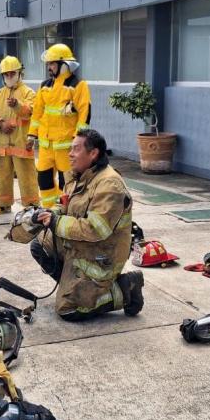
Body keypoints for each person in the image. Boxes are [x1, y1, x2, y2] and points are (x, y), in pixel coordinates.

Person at [29, 129, 144, 321]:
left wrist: (57, 222)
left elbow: (95, 229)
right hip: (82, 245)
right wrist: (49, 214)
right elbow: (64, 204)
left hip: (102, 254)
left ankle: (124, 289)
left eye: (76, 149)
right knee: (39, 245)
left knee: (68, 310)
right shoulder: (78, 176)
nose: (70, 154)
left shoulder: (110, 184)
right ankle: (78, 288)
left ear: (93, 153)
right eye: (70, 149)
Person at [27, 43, 91, 208]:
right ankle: (49, 211)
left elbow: (84, 113)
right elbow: (37, 113)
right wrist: (31, 135)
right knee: (44, 180)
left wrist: (79, 139)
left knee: (67, 183)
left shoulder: (78, 85)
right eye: (48, 64)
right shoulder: (45, 86)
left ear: (64, 64)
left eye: (52, 64)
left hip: (66, 147)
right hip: (46, 146)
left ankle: (65, 211)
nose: (49, 67)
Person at [0, 56, 39, 214]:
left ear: (19, 73)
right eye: (6, 74)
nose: (9, 76)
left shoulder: (28, 92)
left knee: (27, 175)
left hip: (21, 143)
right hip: (2, 145)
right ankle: (3, 204)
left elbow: (30, 112)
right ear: (2, 76)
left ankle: (32, 206)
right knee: (3, 176)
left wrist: (17, 105)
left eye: (12, 73)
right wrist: (0, 123)